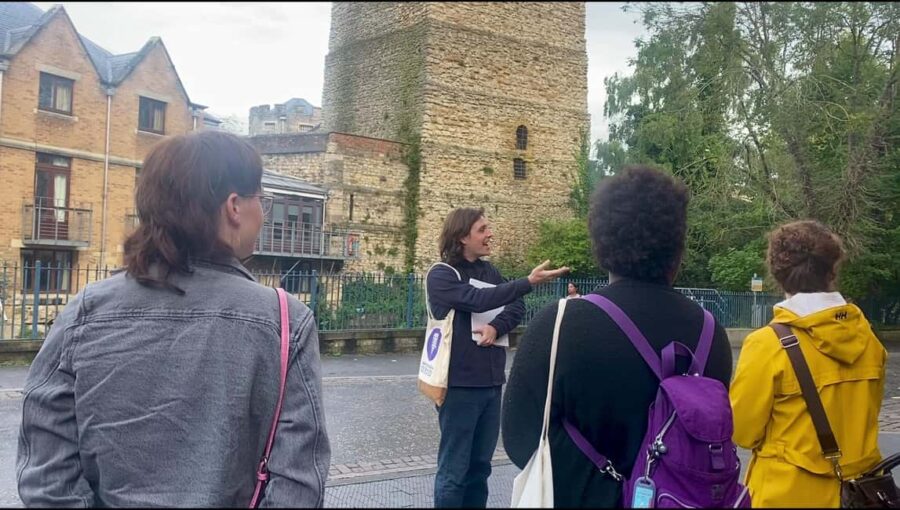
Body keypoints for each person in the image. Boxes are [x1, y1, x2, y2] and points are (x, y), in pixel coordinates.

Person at [16, 131, 331, 507]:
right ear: (234, 207)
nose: (262, 214)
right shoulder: (285, 322)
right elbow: (297, 486)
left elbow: (47, 475)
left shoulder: (84, 312)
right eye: (260, 200)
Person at [502, 165, 733, 507]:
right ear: (677, 245)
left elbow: (520, 440)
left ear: (602, 242)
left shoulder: (563, 323)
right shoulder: (711, 333)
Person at [730, 220, 886, 507]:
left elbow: (742, 432)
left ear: (778, 273)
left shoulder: (766, 344)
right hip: (859, 495)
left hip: (785, 493)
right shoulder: (867, 338)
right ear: (831, 270)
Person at [427, 207, 568, 508]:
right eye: (482, 229)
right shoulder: (441, 275)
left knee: (480, 468)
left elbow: (514, 306)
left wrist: (496, 326)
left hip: (491, 385)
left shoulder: (489, 272)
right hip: (459, 387)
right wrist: (527, 282)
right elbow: (477, 299)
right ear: (462, 236)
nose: (490, 234)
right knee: (454, 471)